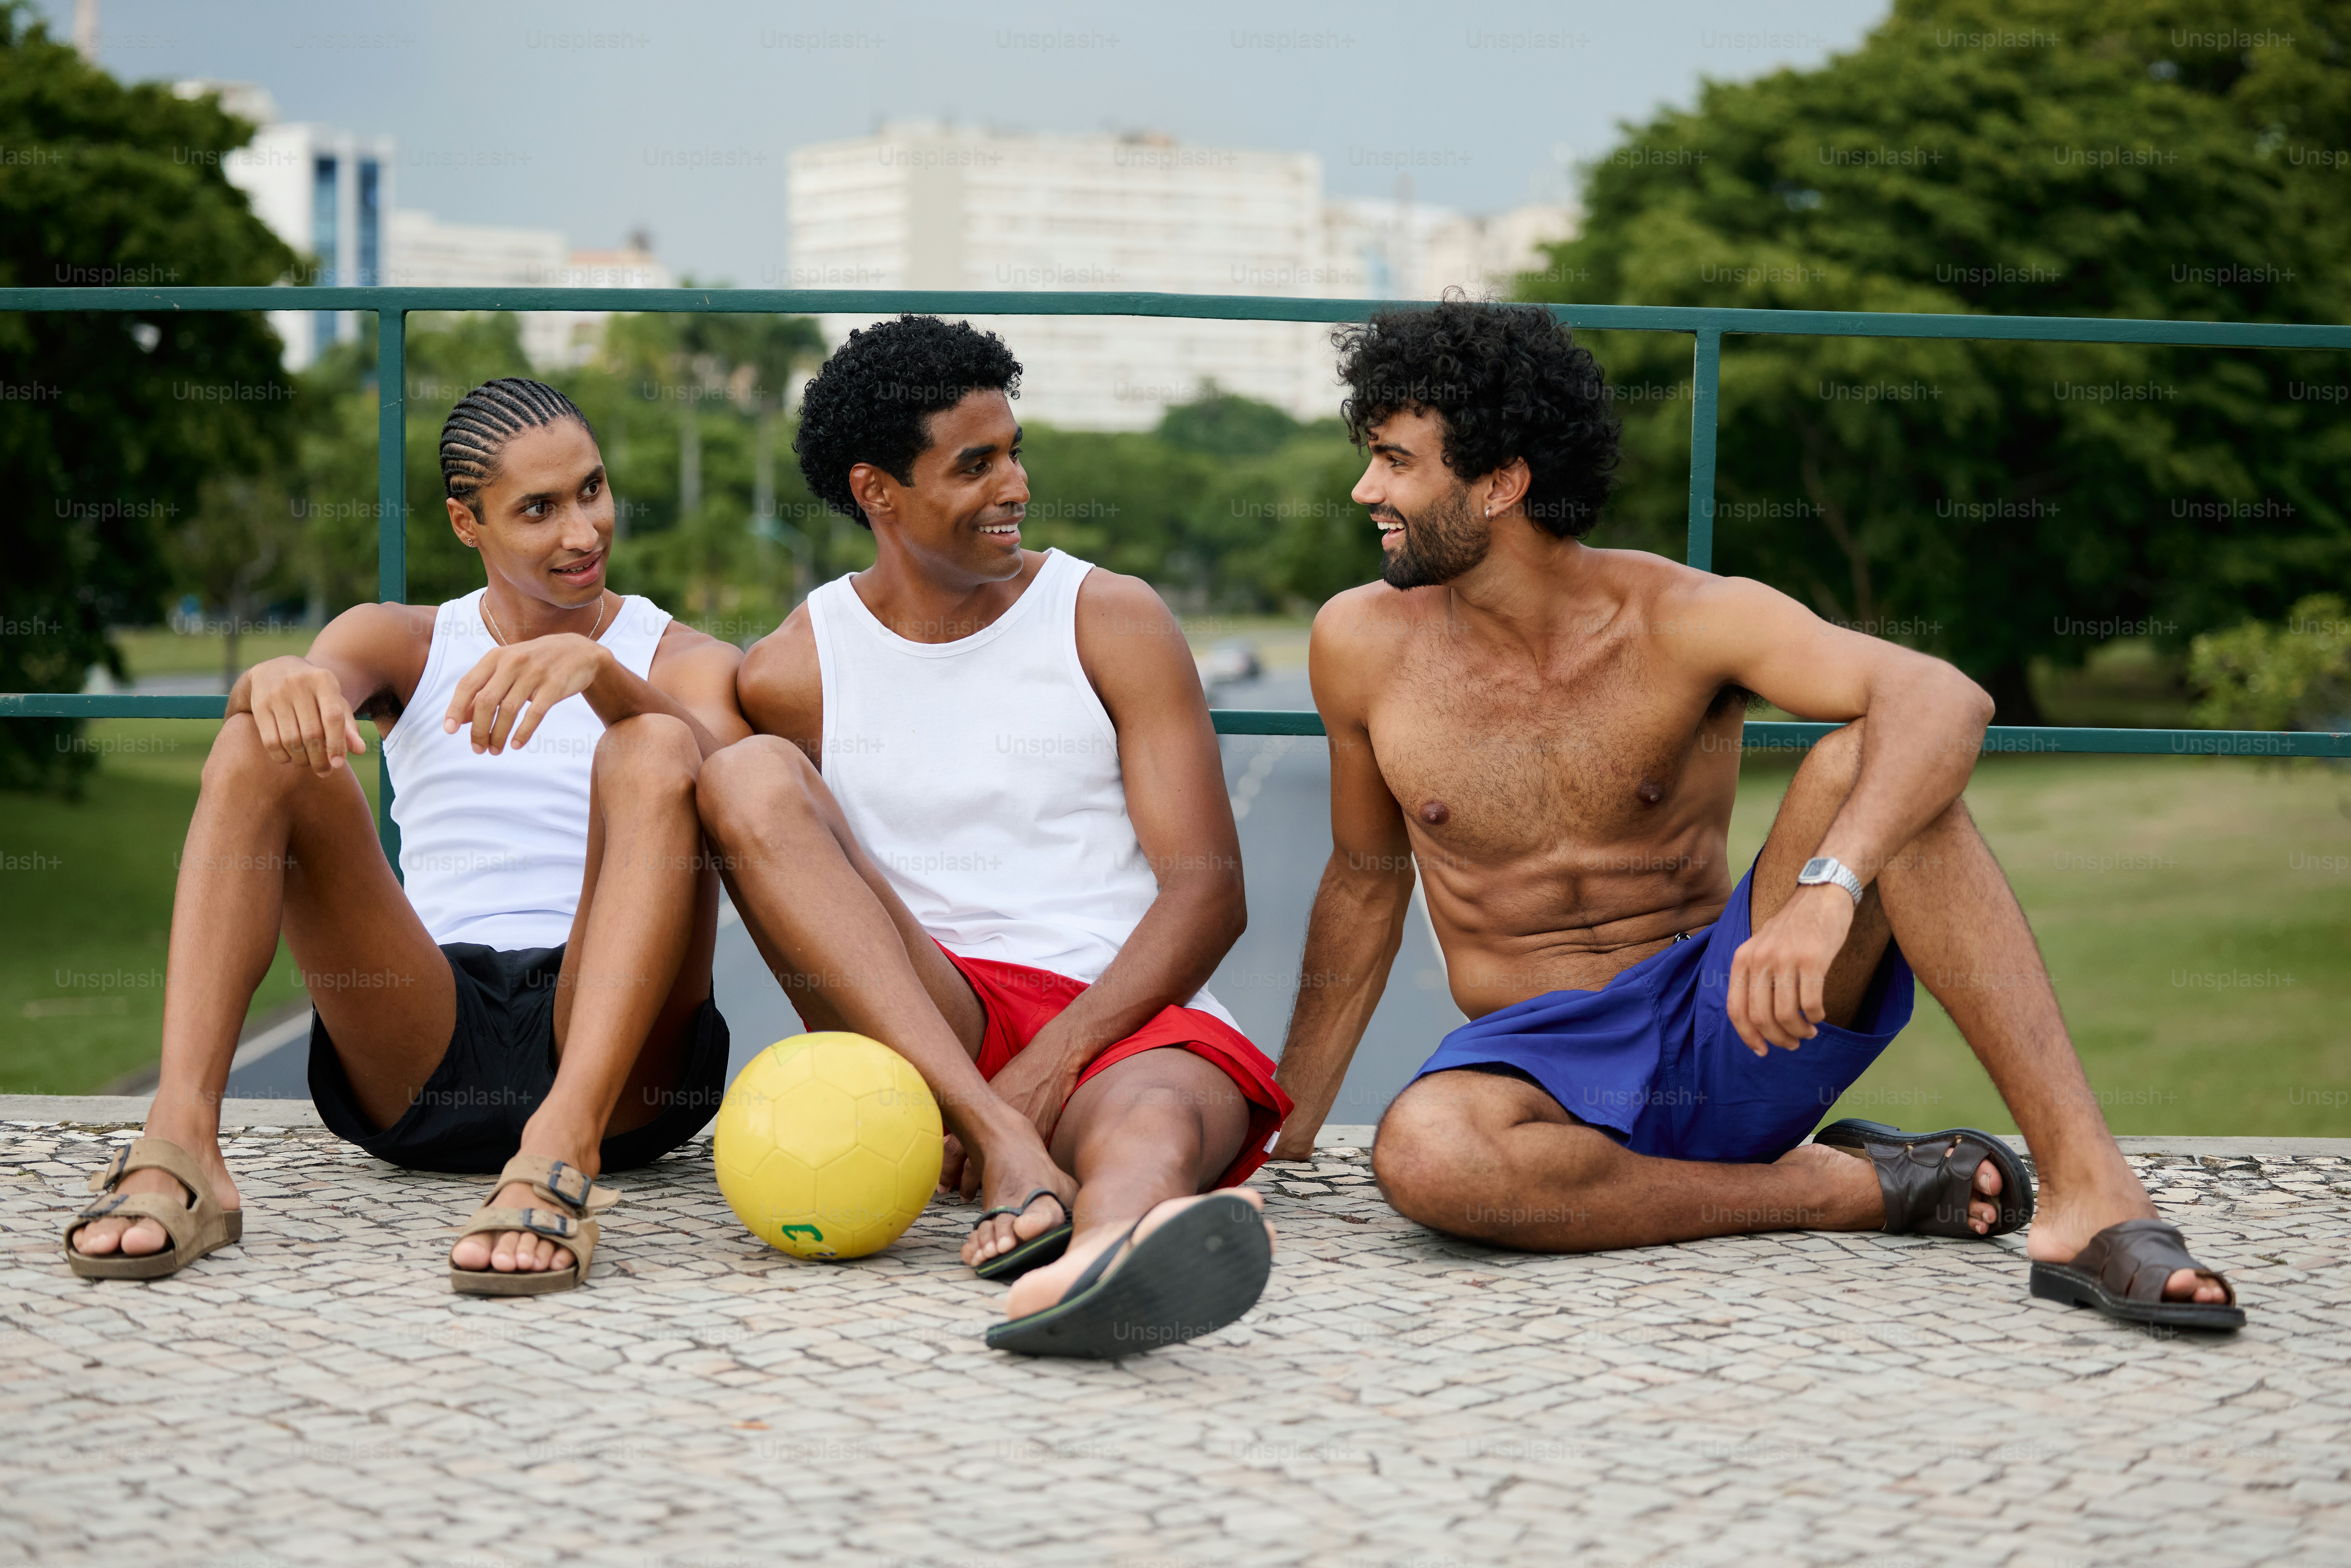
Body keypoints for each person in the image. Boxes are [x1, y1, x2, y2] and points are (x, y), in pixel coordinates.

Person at [1269, 301, 2243, 1332]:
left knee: (1876, 755)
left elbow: (1945, 699)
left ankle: (2093, 1197)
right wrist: (1281, 1135)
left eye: (1395, 461)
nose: (1364, 489)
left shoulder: (1687, 617)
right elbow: (1366, 882)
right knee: (1429, 1156)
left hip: (1730, 1022)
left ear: (1503, 482)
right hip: (1544, 1067)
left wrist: (1832, 889)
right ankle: (1849, 1188)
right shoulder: (1360, 643)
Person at [64, 378, 750, 1296]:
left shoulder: (687, 659)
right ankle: (184, 1143)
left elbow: (740, 792)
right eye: (537, 509)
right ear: (468, 525)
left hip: (624, 1050)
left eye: (591, 490)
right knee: (260, 739)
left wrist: (605, 678)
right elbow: (304, 697)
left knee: (659, 743)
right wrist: (275, 678)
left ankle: (561, 1150)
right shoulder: (407, 641)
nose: (582, 533)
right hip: (425, 1034)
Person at [697, 316, 1288, 1358]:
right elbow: (807, 920)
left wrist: (1047, 1071)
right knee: (745, 777)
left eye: (1015, 452)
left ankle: (1101, 1263)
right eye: (975, 466)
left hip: (1123, 1014)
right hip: (937, 1006)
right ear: (877, 490)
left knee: (1152, 1127)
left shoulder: (1111, 617)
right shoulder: (796, 666)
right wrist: (971, 1104)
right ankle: (1019, 1160)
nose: (1014, 485)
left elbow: (1208, 893)